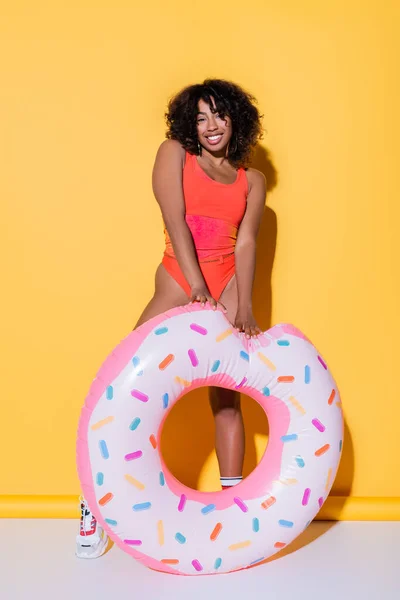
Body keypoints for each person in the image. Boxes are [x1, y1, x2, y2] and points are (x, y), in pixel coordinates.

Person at [76, 78, 266, 558]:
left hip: (226, 284)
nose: (210, 125)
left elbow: (245, 244)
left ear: (235, 118)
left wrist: (243, 306)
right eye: (200, 118)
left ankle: (234, 509)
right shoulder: (174, 155)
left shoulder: (252, 180)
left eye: (218, 115)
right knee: (116, 389)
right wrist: (195, 286)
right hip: (181, 276)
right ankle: (93, 508)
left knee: (227, 399)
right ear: (189, 125)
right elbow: (175, 217)